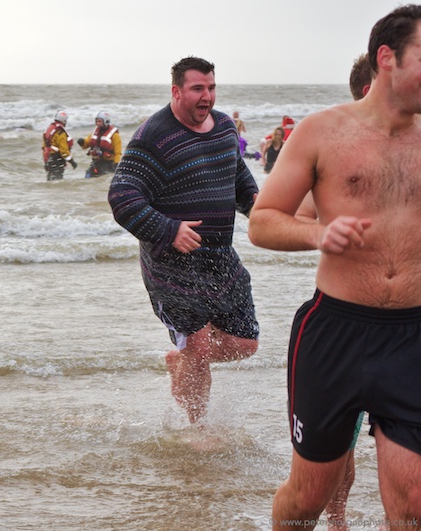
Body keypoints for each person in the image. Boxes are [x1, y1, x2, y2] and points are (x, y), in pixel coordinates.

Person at [248, 5, 421, 529]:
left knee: (413, 504)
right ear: (387, 57)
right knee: (307, 500)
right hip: (335, 332)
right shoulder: (323, 131)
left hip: (414, 336)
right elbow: (262, 221)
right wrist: (319, 234)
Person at [108, 56, 259, 424]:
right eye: (197, 88)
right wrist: (168, 229)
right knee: (200, 344)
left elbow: (238, 176)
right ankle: (197, 428)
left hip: (220, 258)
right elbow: (122, 196)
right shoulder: (153, 136)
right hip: (170, 263)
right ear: (177, 92)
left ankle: (183, 359)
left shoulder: (224, 127)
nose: (206, 96)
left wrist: (260, 208)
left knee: (245, 344)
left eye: (210, 88)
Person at [292, 52, 374, 531]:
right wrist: (328, 230)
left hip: (407, 321)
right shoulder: (338, 150)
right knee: (342, 441)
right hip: (346, 321)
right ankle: (338, 520)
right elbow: (295, 217)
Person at [76, 110, 122, 178]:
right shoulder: (95, 132)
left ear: (106, 122)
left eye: (100, 121)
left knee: (102, 178)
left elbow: (118, 153)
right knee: (87, 176)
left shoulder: (115, 136)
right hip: (96, 162)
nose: (97, 123)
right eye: (96, 121)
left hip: (108, 163)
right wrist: (82, 142)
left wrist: (116, 164)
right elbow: (87, 144)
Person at [42, 110, 77, 181]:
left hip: (49, 159)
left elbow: (44, 146)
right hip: (57, 160)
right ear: (64, 121)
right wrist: (72, 161)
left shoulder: (50, 129)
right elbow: (63, 151)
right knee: (57, 181)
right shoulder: (60, 133)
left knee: (50, 181)